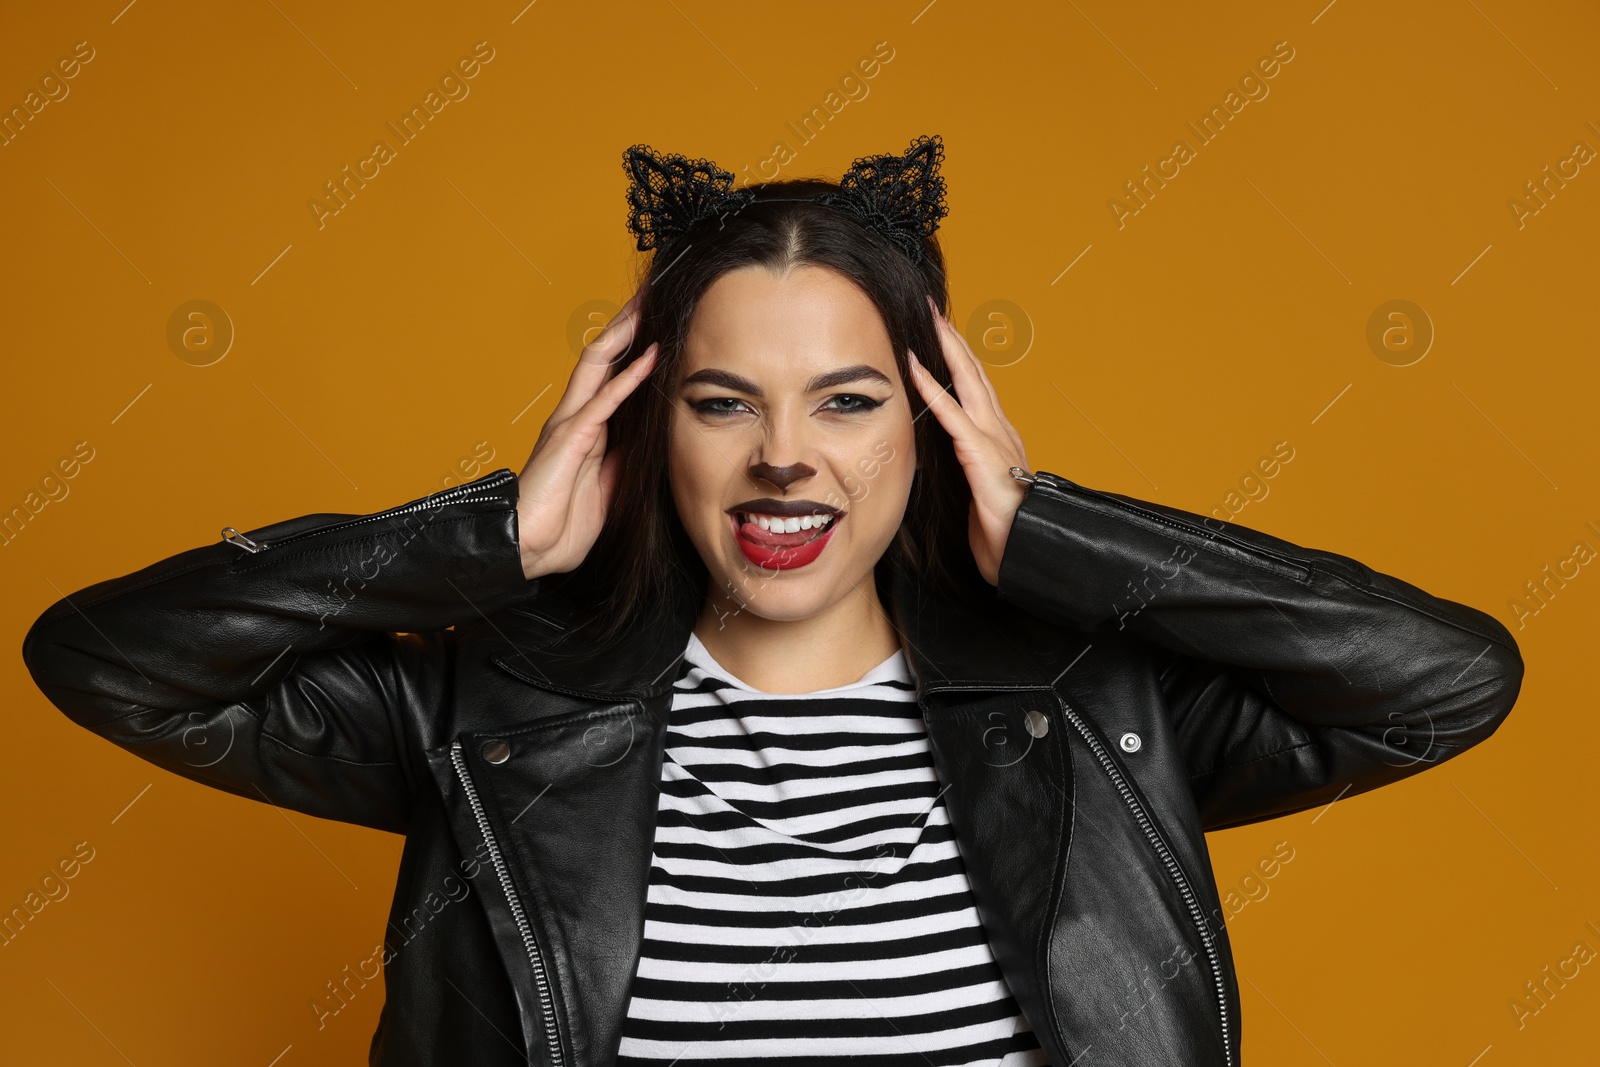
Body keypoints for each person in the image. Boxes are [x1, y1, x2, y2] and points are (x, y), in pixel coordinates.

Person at [22, 135, 1524, 1067]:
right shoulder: (493, 713)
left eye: (851, 400)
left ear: (928, 430)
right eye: (722, 401)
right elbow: (109, 659)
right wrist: (490, 534)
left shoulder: (1098, 717)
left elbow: (1441, 678)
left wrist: (1054, 528)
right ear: (645, 429)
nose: (786, 453)